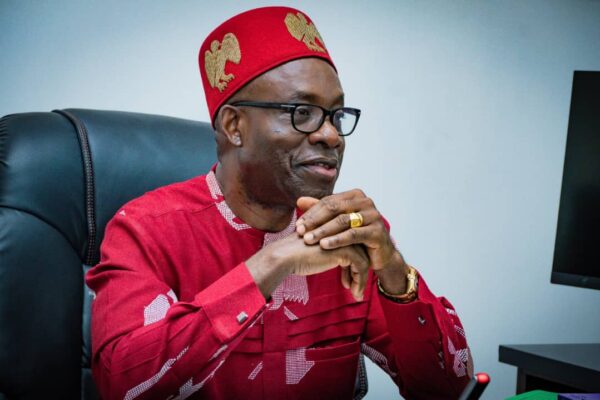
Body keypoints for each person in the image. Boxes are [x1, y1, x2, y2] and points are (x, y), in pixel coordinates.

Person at [86, 6, 473, 400]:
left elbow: (448, 390)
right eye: (302, 112)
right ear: (234, 126)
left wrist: (393, 269)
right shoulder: (147, 230)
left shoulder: (347, 233)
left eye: (336, 116)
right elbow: (121, 387)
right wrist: (271, 265)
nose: (331, 136)